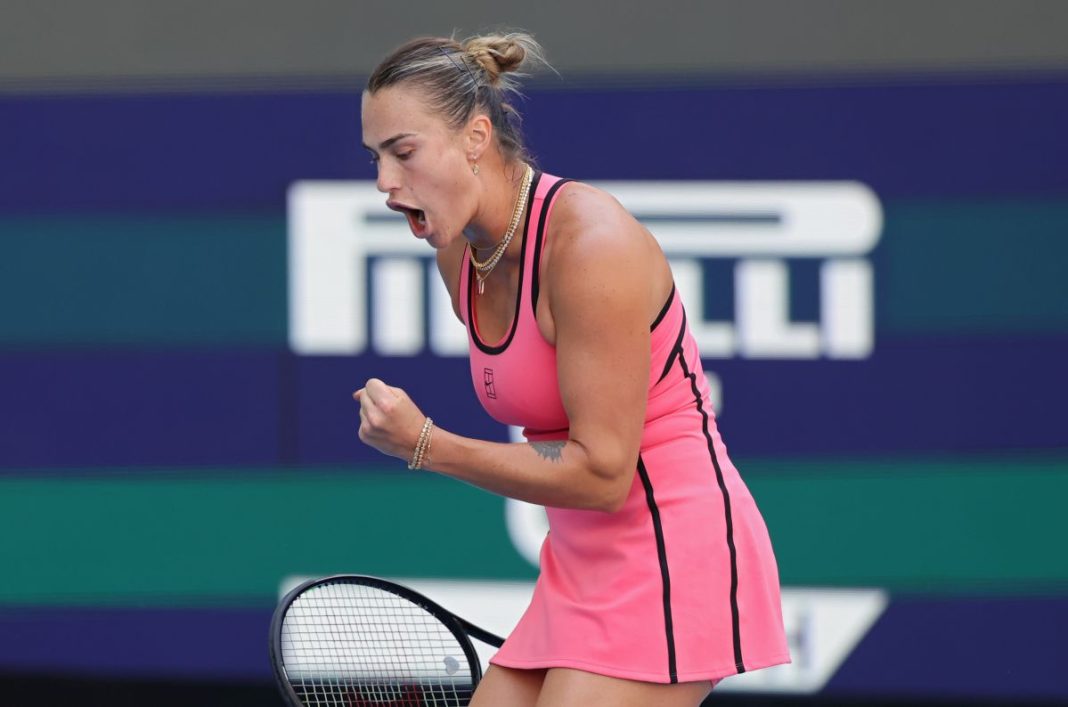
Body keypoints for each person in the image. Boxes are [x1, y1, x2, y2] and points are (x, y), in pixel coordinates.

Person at [354, 32, 790, 707]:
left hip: (672, 553)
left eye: (403, 152)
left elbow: (603, 472)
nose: (385, 182)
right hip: (577, 563)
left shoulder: (590, 245)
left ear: (475, 139)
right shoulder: (459, 256)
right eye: (376, 158)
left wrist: (426, 444)